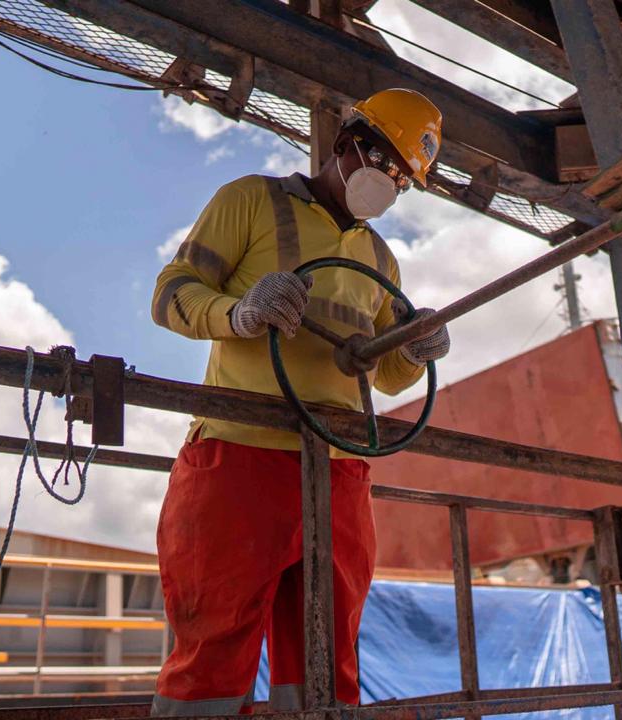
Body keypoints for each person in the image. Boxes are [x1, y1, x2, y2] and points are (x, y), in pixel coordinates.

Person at [148, 88, 451, 716]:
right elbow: (171, 294)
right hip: (240, 456)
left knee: (327, 661)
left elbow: (385, 377)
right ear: (345, 143)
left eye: (401, 176)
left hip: (339, 468)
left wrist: (414, 350)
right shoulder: (252, 200)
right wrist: (241, 312)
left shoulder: (381, 258)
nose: (388, 181)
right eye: (383, 160)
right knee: (213, 652)